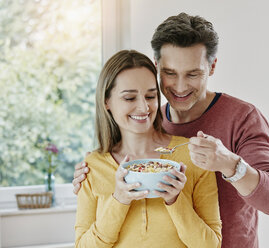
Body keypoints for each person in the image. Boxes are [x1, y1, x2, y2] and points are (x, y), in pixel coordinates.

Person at [73, 13, 269, 248]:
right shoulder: (146, 121)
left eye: (193, 74)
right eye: (170, 73)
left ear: (212, 66)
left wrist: (229, 164)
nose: (181, 87)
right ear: (157, 67)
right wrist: (92, 177)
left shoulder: (243, 118)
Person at [74, 50, 221, 247]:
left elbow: (211, 245)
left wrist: (175, 201)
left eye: (151, 96)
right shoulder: (92, 166)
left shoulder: (192, 156)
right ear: (106, 101)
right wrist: (119, 200)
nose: (144, 108)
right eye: (129, 98)